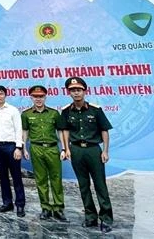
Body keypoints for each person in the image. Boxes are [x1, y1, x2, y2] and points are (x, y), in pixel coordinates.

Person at [61, 77, 114, 233]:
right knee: (83, 185)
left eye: (78, 90)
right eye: (73, 90)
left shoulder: (95, 110)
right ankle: (90, 217)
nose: (76, 93)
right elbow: (65, 130)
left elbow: (104, 130)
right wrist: (66, 149)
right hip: (76, 150)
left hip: (93, 150)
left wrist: (105, 150)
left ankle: (106, 219)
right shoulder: (66, 111)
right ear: (69, 93)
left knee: (100, 185)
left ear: (84, 91)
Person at [21, 84, 67, 221]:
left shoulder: (54, 113)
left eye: (41, 96)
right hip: (36, 148)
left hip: (52, 148)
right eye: (35, 97)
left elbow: (60, 131)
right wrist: (24, 148)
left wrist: (64, 148)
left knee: (56, 179)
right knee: (41, 180)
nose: (38, 99)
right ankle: (45, 208)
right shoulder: (26, 114)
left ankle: (58, 208)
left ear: (45, 97)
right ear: (31, 97)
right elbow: (25, 131)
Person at [0, 84, 26, 217]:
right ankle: (7, 203)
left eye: (0, 94)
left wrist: (18, 147)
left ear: (5, 95)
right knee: (3, 176)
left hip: (11, 147)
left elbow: (19, 129)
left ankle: (20, 205)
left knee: (16, 177)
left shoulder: (13, 110)